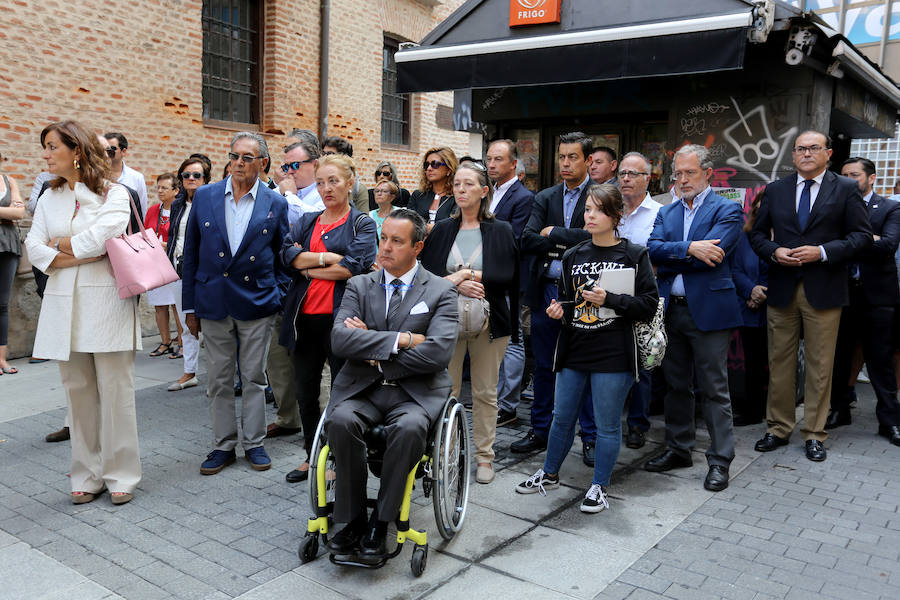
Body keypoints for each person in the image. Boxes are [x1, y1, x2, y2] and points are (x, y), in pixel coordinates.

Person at [324, 208, 458, 564]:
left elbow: (438, 353)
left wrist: (373, 348)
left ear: (418, 247)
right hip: (363, 389)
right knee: (340, 421)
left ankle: (381, 522)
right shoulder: (359, 285)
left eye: (396, 241)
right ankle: (353, 518)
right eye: (383, 238)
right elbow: (340, 340)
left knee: (411, 428)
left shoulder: (442, 290)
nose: (385, 247)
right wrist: (403, 340)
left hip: (415, 392)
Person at [516, 184, 658, 512]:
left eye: (598, 210)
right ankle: (549, 473)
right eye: (588, 209)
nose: (589, 216)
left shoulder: (634, 255)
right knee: (561, 417)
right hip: (575, 347)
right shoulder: (573, 255)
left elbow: (648, 305)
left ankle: (599, 485)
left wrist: (610, 299)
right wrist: (559, 311)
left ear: (616, 215)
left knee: (607, 424)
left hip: (614, 351)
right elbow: (569, 303)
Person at [25, 120, 143, 505]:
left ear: (76, 150)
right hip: (63, 305)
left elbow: (102, 240)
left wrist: (59, 247)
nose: (45, 154)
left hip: (107, 304)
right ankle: (86, 475)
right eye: (45, 147)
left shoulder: (114, 193)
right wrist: (73, 254)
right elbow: (33, 247)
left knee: (116, 392)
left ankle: (121, 474)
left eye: (52, 146)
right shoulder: (49, 196)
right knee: (78, 394)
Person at [749, 131, 872, 462]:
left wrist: (822, 251)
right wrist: (774, 252)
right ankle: (778, 428)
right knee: (779, 363)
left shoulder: (845, 188)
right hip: (782, 286)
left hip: (825, 287)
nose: (806, 153)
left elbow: (862, 237)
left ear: (828, 153)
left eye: (814, 148)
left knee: (820, 365)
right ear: (793, 155)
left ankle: (815, 433)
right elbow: (757, 235)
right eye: (800, 149)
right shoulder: (776, 190)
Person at [181, 132, 290, 475]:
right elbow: (191, 253)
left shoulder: (275, 202)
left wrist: (277, 296)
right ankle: (223, 445)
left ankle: (254, 443)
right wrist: (190, 307)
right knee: (218, 379)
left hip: (257, 303)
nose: (239, 163)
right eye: (234, 156)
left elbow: (283, 256)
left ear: (263, 163)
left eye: (247, 157)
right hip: (213, 301)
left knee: (254, 378)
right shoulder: (206, 196)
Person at [645, 144, 743, 492]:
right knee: (676, 385)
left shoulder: (728, 209)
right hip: (672, 310)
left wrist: (674, 256)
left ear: (708, 174)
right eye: (678, 174)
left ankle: (720, 460)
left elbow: (715, 255)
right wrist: (689, 248)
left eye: (690, 173)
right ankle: (678, 448)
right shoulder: (667, 212)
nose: (682, 179)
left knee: (714, 389)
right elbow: (652, 250)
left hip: (710, 312)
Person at [278, 153, 377, 482]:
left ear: (350, 183)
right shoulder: (308, 221)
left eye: (333, 181)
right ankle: (311, 455)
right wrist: (325, 258)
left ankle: (336, 457)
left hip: (340, 321)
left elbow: (352, 267)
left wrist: (307, 268)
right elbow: (287, 257)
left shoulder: (361, 223)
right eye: (321, 182)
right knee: (305, 393)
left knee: (341, 394)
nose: (326, 189)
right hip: (303, 319)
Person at [420, 161, 519, 484]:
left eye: (469, 184)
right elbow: (428, 275)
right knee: (445, 388)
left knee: (485, 392)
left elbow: (507, 275)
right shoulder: (442, 230)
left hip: (490, 322)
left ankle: (484, 457)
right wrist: (459, 282)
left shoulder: (500, 230)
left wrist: (468, 276)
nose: (461, 190)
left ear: (484, 191)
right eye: (457, 184)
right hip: (445, 319)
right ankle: (446, 451)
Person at [514, 131, 597, 465]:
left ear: (588, 160)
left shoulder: (600, 195)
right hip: (547, 290)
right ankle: (540, 430)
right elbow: (527, 238)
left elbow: (597, 238)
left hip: (586, 293)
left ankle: (590, 437)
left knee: (586, 366)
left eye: (572, 157)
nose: (565, 163)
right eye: (561, 157)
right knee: (545, 364)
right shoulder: (545, 197)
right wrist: (571, 241)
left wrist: (555, 234)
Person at [828, 157, 900, 446]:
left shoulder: (890, 207)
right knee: (840, 356)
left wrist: (851, 242)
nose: (848, 180)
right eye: (844, 175)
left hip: (878, 296)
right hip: (842, 293)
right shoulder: (835, 208)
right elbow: (829, 246)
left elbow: (888, 245)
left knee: (880, 358)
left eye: (854, 175)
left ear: (871, 178)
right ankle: (839, 410)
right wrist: (868, 239)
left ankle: (890, 421)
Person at [485, 139, 534, 427]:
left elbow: (515, 240)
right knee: (491, 339)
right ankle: (493, 399)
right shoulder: (487, 192)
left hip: (509, 278)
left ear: (513, 164)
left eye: (498, 159)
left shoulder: (523, 197)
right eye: (489, 159)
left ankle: (508, 405)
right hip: (485, 278)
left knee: (512, 339)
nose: (491, 164)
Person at [616, 152, 662, 448]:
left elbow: (661, 254)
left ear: (647, 179)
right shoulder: (610, 210)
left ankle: (637, 424)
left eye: (633, 174)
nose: (626, 179)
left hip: (643, 296)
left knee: (643, 363)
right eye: (622, 173)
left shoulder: (660, 213)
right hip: (609, 296)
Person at [165, 157, 210, 391]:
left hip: (204, 271)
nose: (191, 179)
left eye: (196, 175)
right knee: (185, 322)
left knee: (210, 324)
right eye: (186, 175)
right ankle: (189, 372)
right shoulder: (177, 204)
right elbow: (174, 236)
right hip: (179, 269)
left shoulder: (211, 203)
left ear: (206, 179)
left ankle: (218, 375)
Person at [731, 194, 769, 426]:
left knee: (776, 362)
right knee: (753, 362)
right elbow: (735, 269)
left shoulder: (784, 236)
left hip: (775, 308)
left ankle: (772, 409)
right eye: (758, 207)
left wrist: (762, 293)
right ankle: (753, 411)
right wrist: (750, 291)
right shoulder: (744, 236)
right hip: (748, 308)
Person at [144, 173, 183, 358]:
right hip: (155, 262)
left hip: (174, 262)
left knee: (176, 305)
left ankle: (182, 343)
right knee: (159, 305)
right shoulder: (153, 210)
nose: (159, 191)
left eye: (164, 188)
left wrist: (167, 245)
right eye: (158, 187)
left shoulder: (181, 210)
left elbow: (183, 237)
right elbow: (145, 232)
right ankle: (165, 342)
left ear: (176, 191)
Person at [0, 151, 25, 375]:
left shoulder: (9, 181)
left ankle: (1, 360)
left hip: (7, 244)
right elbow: (12, 211)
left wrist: (12, 212)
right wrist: (6, 212)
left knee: (2, 304)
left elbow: (19, 213)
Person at [409, 146, 458, 233]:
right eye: (426, 165)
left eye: (435, 164)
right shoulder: (418, 195)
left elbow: (453, 226)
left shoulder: (457, 197)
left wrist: (423, 228)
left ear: (449, 169)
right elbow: (408, 224)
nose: (429, 168)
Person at [279, 139, 325, 225]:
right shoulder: (280, 190)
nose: (289, 171)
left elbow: (314, 221)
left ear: (315, 165)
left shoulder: (325, 192)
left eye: (295, 165)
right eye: (286, 167)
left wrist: (288, 195)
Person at [104, 132, 149, 217]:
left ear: (123, 151)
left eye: (112, 148)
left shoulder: (136, 178)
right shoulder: (96, 174)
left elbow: (141, 209)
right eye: (105, 149)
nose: (107, 152)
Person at [322, 136, 368, 212]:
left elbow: (363, 218)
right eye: (323, 154)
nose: (325, 158)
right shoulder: (316, 184)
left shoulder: (358, 189)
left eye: (330, 154)